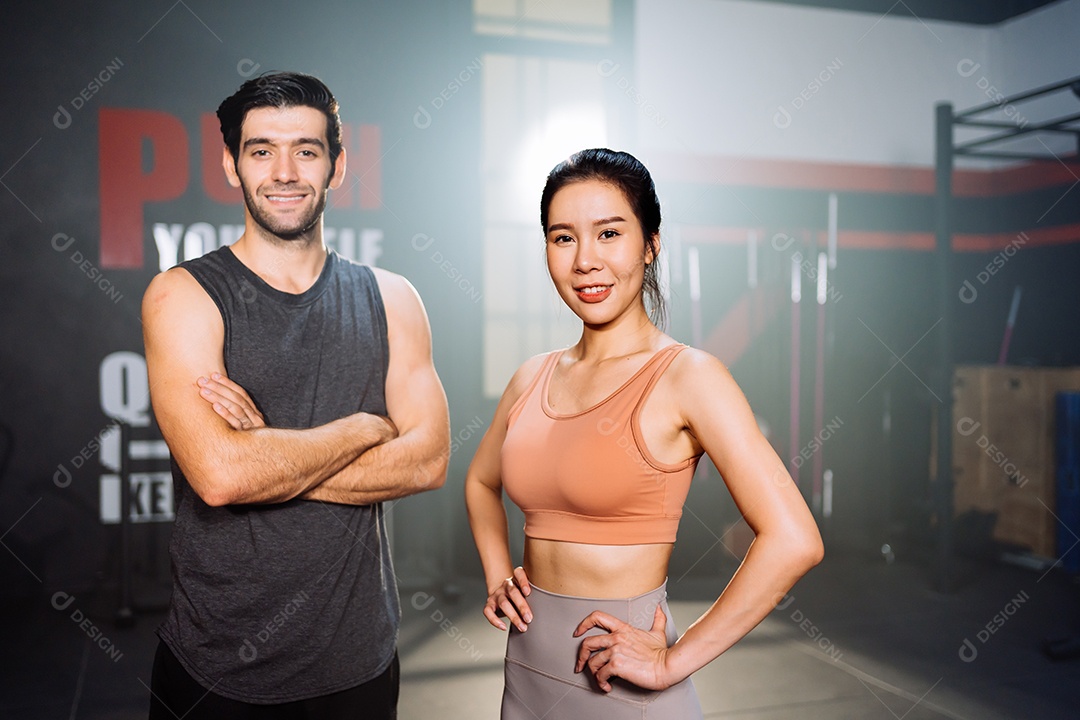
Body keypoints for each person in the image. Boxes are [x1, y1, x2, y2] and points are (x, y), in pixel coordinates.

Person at [465, 148, 824, 718]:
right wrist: (495, 575)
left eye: (609, 233)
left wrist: (670, 663)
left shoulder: (690, 377)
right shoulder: (530, 377)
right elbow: (481, 483)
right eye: (563, 238)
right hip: (524, 676)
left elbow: (795, 539)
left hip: (622, 685)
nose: (585, 260)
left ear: (650, 244)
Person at [142, 72, 449, 719]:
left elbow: (428, 461)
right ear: (230, 164)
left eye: (307, 150)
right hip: (216, 668)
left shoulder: (393, 298)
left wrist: (265, 456)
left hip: (359, 661)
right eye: (261, 151)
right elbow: (221, 477)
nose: (285, 171)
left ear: (337, 166)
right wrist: (364, 426)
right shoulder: (184, 296)